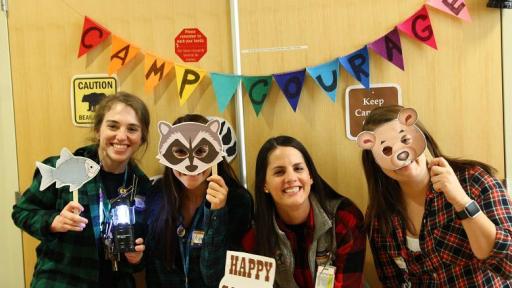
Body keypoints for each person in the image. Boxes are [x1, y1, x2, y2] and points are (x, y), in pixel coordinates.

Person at [359, 105, 512, 287]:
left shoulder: (473, 181)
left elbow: (508, 265)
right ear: (375, 162)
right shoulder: (380, 216)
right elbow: (392, 281)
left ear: (421, 137)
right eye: (386, 150)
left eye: (405, 139)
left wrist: (462, 202)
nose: (400, 154)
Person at [12, 91, 152, 287]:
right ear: (98, 130)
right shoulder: (62, 168)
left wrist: (136, 258)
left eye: (132, 129)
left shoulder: (143, 186)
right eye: (112, 126)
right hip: (60, 281)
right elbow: (21, 212)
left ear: (142, 137)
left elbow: (145, 251)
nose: (121, 136)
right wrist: (53, 222)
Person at [145, 114, 253, 288]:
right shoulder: (157, 196)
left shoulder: (238, 201)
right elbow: (152, 268)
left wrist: (216, 214)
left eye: (201, 151)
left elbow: (216, 277)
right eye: (179, 151)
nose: (191, 162)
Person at [242, 135, 366, 288]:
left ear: (311, 176)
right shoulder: (255, 236)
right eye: (279, 172)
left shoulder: (345, 219)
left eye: (298, 168)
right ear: (264, 185)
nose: (291, 177)